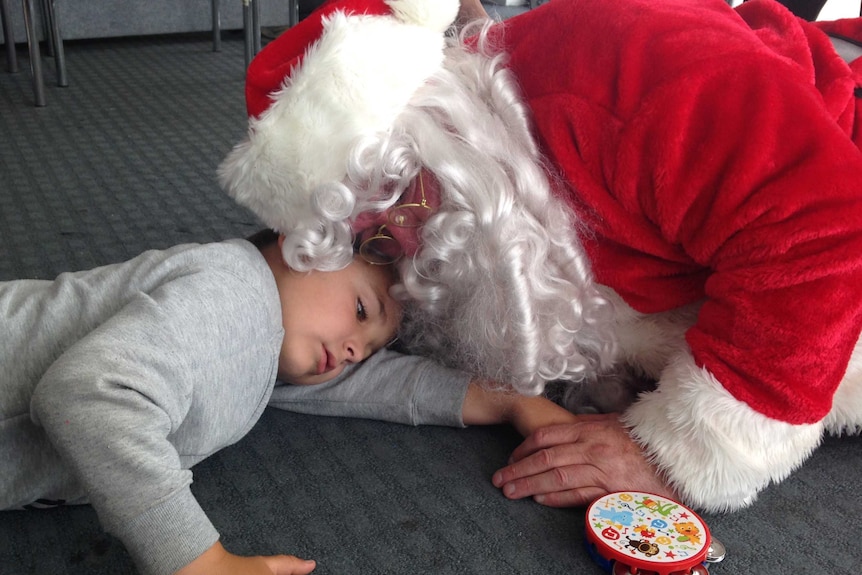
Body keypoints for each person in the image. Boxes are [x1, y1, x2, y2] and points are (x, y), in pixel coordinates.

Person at [218, 0, 862, 515]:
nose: (404, 265)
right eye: (369, 247)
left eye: (389, 221)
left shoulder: (627, 70)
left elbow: (829, 233)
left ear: (427, 130)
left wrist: (671, 451)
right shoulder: (482, 182)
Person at [0, 227, 579, 575]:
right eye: (360, 310)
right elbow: (90, 394)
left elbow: (377, 385)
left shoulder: (271, 346)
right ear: (305, 243)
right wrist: (196, 561)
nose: (354, 350)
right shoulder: (237, 296)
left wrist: (505, 401)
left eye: (368, 347)